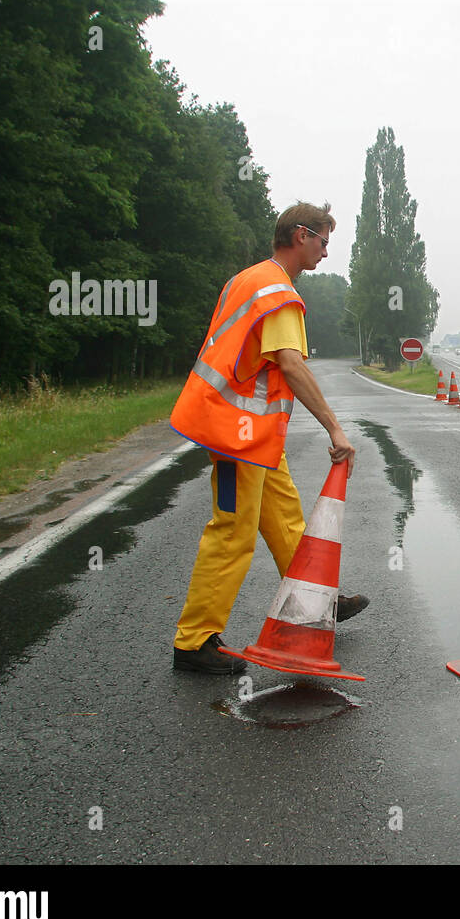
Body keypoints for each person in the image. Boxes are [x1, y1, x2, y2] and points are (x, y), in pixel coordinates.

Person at [168, 201, 368, 674]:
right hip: (237, 435)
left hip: (252, 436)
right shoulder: (279, 293)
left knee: (285, 519)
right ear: (301, 235)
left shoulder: (247, 279)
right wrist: (335, 429)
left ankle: (315, 601)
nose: (325, 252)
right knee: (233, 533)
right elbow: (291, 365)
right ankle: (194, 641)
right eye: (322, 241)